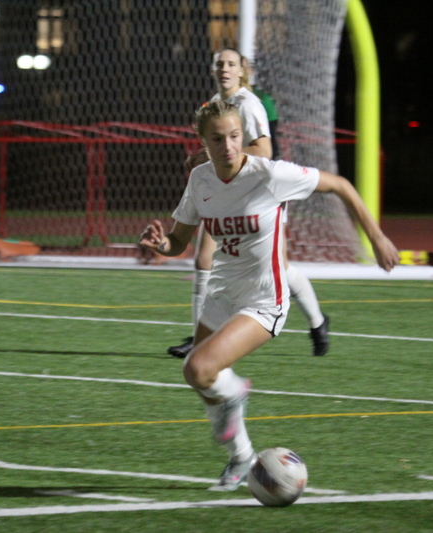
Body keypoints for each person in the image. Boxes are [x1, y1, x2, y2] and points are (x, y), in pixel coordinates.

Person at [140, 101, 399, 491]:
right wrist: (161, 245)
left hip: (264, 300)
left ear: (242, 135)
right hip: (223, 293)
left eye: (233, 136)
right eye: (217, 139)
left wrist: (377, 238)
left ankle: (237, 394)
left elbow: (341, 186)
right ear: (203, 142)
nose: (228, 145)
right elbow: (179, 240)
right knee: (204, 378)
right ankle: (241, 456)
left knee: (197, 369)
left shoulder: (271, 174)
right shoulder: (200, 180)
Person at [168, 48, 330, 359]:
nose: (224, 69)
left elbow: (264, 151)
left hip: (259, 191)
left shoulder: (248, 103)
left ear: (243, 70)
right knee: (203, 259)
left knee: (277, 267)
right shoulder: (218, 103)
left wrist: (215, 157)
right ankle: (199, 335)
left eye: (231, 64)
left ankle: (318, 321)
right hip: (226, 189)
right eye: (219, 63)